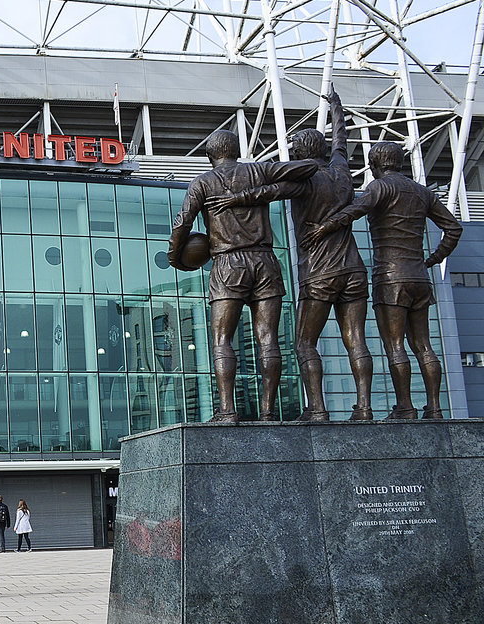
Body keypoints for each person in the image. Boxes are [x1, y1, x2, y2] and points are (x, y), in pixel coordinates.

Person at [209, 89, 372, 421]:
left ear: (301, 152)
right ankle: (365, 408)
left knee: (304, 343)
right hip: (354, 269)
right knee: (356, 338)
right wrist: (337, 110)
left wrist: (234, 200)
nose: (293, 152)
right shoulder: (340, 169)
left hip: (319, 272)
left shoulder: (305, 178)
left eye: (295, 149)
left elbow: (268, 192)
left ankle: (318, 410)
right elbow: (340, 140)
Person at [168, 130, 318, 421]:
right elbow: (309, 166)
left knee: (223, 339)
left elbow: (183, 222)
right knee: (268, 338)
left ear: (210, 156)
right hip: (265, 260)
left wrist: (175, 258)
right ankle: (268, 412)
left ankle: (227, 411)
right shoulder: (259, 170)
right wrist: (263, 190)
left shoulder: (203, 182)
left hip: (228, 263)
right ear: (236, 151)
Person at [306, 140, 462, 419]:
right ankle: (435, 407)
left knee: (396, 345)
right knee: (424, 345)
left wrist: (325, 226)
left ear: (375, 165)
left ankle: (405, 406)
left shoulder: (379, 187)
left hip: (391, 279)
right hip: (419, 277)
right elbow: (454, 228)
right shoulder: (422, 192)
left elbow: (354, 210)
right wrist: (433, 258)